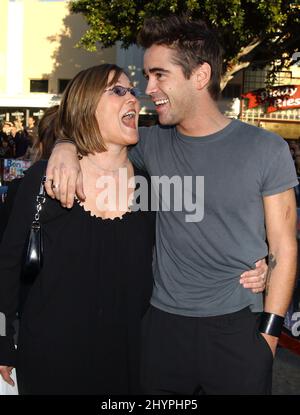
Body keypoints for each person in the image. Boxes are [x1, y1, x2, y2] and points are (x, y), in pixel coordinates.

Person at [43, 16, 281, 395]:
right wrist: (65, 146)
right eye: (146, 76)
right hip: (161, 330)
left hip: (237, 328)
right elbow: (94, 134)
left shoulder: (266, 148)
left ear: (199, 76)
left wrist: (268, 336)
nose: (146, 88)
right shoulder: (148, 144)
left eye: (159, 75)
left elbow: (285, 245)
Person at [0, 64, 156, 394]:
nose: (132, 98)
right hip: (49, 362)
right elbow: (7, 268)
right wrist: (2, 341)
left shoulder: (148, 187)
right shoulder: (46, 179)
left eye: (132, 91)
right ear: (85, 104)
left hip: (125, 364)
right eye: (118, 91)